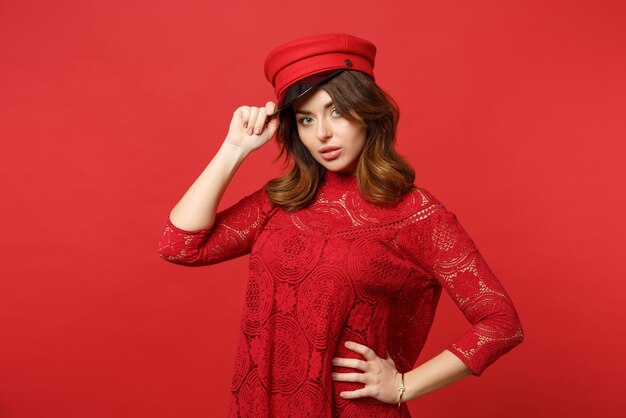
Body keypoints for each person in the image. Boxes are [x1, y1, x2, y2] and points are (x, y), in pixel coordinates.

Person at [157, 32, 524, 417]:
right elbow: (178, 245)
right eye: (305, 119)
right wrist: (233, 150)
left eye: (336, 112)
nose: (322, 134)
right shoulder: (283, 199)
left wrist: (403, 385)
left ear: (368, 113)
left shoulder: (415, 213)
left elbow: (501, 323)